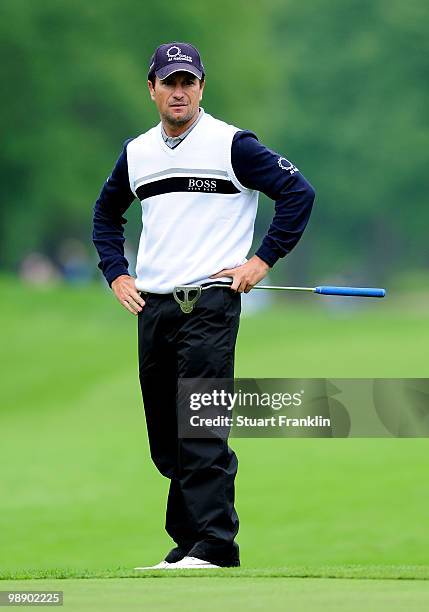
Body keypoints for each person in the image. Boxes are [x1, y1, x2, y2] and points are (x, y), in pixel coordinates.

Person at [92, 42, 315, 569]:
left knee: (200, 422)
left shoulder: (231, 144)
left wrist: (260, 262)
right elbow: (105, 215)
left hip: (210, 303)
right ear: (152, 89)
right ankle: (188, 542)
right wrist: (116, 273)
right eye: (168, 83)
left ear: (201, 88)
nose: (178, 91)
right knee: (167, 437)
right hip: (154, 307)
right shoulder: (138, 153)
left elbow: (298, 193)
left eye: (187, 82)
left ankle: (215, 545)